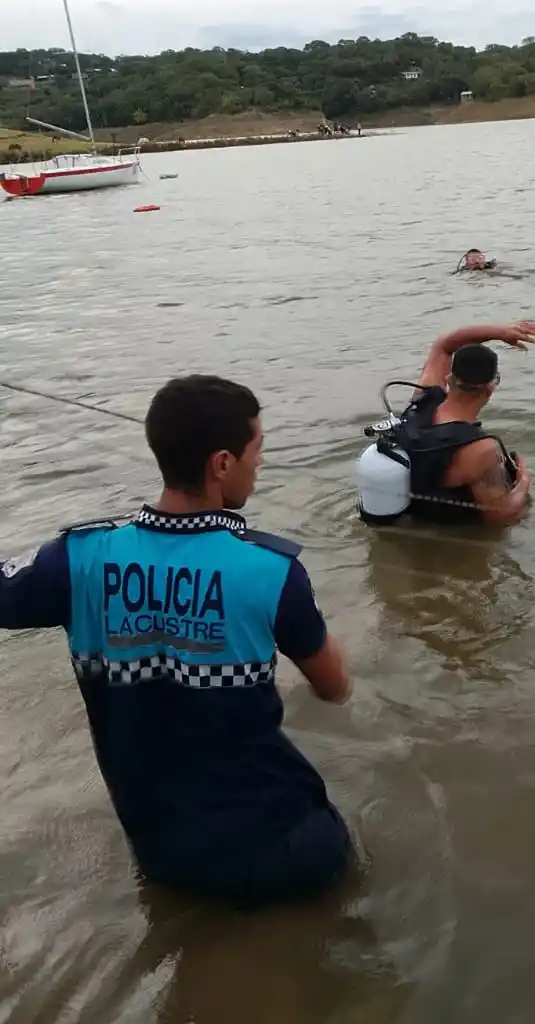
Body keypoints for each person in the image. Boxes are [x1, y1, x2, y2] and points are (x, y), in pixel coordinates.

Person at [0, 374, 352, 906]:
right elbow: (335, 687)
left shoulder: (75, 557)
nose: (260, 463)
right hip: (288, 845)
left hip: (163, 853)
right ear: (222, 463)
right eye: (258, 449)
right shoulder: (269, 570)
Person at [394, 321, 535, 527]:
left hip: (404, 516)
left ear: (450, 378)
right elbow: (501, 516)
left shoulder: (423, 398)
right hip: (443, 536)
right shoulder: (479, 448)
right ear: (491, 388)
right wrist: (524, 480)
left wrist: (500, 331)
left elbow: (444, 345)